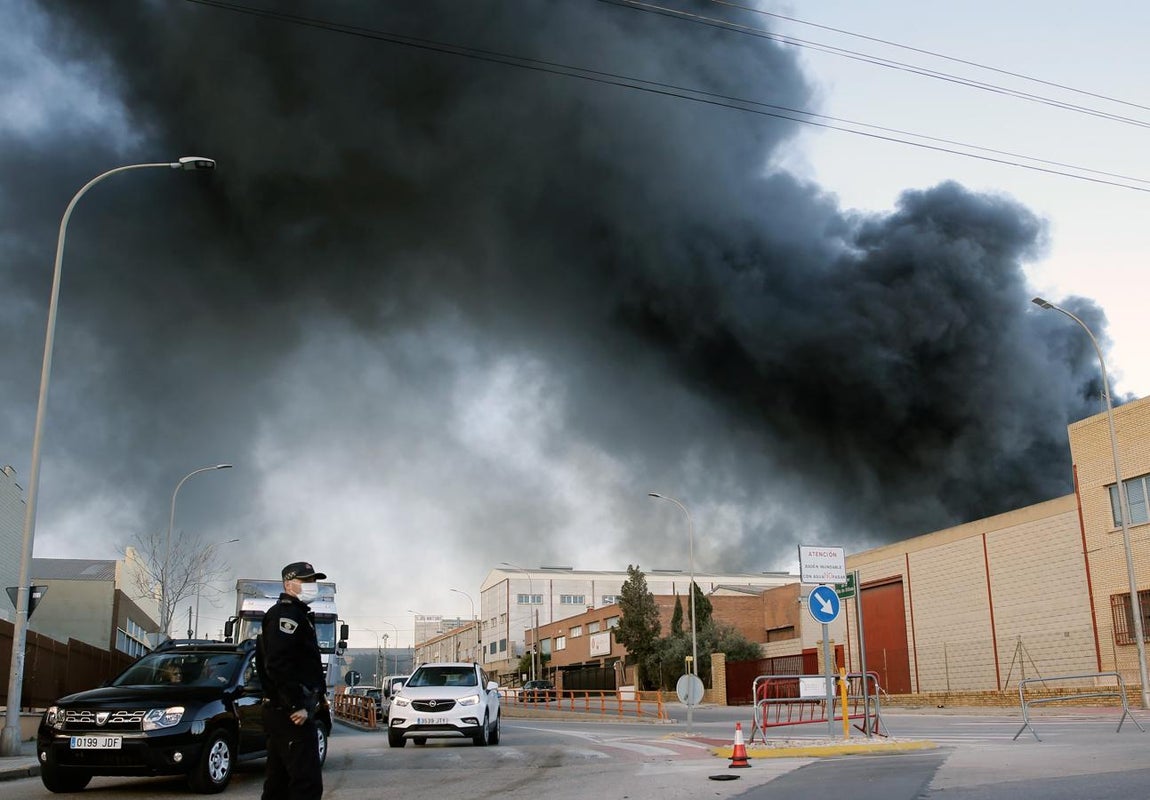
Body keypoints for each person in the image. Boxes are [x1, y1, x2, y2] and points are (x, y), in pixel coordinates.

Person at [258, 561, 328, 800]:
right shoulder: (285, 615)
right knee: (305, 784)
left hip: (284, 711)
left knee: (278, 784)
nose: (312, 585)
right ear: (289, 584)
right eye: (306, 581)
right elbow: (277, 663)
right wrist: (295, 704)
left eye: (313, 580)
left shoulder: (297, 614)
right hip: (289, 714)